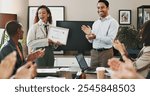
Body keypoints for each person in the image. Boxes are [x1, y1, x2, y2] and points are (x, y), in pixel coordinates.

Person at [81, 0, 119, 67]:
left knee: (105, 75)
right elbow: (91, 41)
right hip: (94, 53)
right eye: (98, 8)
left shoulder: (113, 22)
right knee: (92, 74)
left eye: (102, 7)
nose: (100, 9)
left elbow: (111, 41)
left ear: (107, 8)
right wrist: (89, 36)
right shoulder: (96, 23)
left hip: (106, 53)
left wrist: (95, 36)